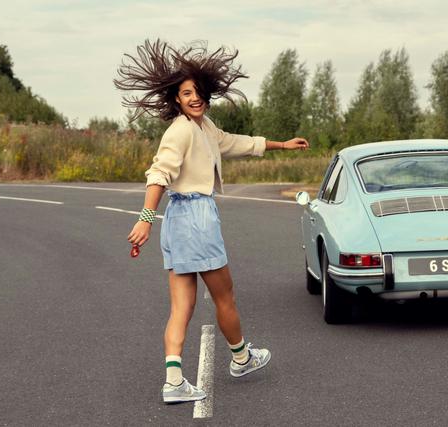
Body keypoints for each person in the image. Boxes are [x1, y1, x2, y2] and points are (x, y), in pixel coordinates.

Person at [115, 39, 309, 404]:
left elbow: (235, 142)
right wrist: (145, 219)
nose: (194, 98)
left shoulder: (204, 127)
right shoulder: (182, 130)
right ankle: (241, 358)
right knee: (224, 295)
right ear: (176, 99)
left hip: (178, 219)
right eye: (186, 93)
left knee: (182, 306)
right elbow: (159, 173)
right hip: (195, 218)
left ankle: (174, 381)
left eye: (198, 92)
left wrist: (281, 145)